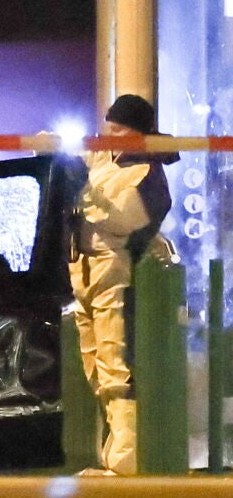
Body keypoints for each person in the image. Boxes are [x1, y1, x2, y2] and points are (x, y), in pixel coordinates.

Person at [68, 94, 178, 476]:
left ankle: (126, 460)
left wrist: (82, 195)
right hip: (84, 268)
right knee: (95, 365)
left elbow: (120, 219)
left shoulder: (148, 176)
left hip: (115, 272)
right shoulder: (106, 158)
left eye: (117, 129)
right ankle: (114, 454)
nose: (108, 135)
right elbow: (78, 160)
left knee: (116, 364)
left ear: (136, 132)